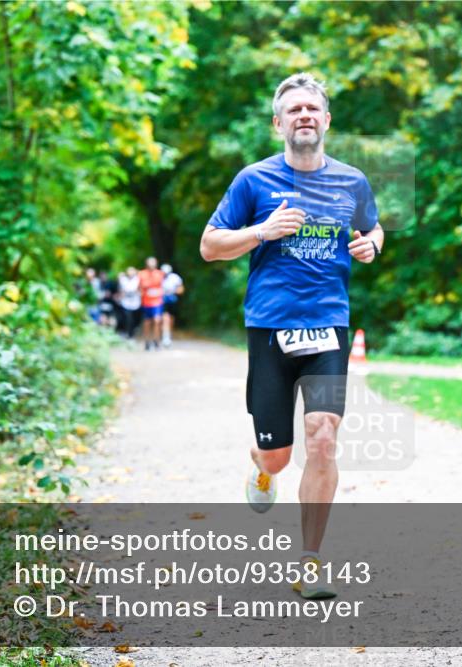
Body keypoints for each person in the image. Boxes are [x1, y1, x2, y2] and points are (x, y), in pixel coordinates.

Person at [199, 72, 383, 600]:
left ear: (326, 120)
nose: (305, 116)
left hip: (328, 327)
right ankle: (262, 469)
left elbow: (372, 228)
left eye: (313, 109)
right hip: (269, 329)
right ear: (278, 123)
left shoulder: (351, 181)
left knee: (323, 438)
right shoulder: (253, 181)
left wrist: (371, 244)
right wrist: (262, 232)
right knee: (278, 456)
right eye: (294, 109)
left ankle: (310, 561)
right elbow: (211, 246)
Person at [138, 257, 165, 350]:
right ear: (146, 264)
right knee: (147, 322)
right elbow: (139, 287)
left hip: (157, 301)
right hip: (146, 302)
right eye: (150, 263)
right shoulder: (141, 274)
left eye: (153, 263)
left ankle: (156, 340)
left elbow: (163, 286)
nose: (151, 265)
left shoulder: (160, 274)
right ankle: (147, 341)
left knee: (157, 320)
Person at [160, 263, 184, 347]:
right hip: (162, 300)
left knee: (171, 319)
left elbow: (181, 289)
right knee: (165, 318)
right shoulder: (159, 278)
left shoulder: (175, 278)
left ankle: (168, 335)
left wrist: (173, 291)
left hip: (172, 299)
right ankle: (165, 337)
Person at [118, 267, 142, 340]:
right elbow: (121, 290)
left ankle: (132, 333)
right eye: (129, 271)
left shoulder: (138, 279)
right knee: (127, 318)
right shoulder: (123, 279)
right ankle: (128, 333)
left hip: (136, 303)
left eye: (132, 271)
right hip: (125, 303)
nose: (130, 273)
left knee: (135, 319)